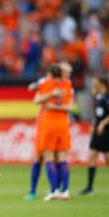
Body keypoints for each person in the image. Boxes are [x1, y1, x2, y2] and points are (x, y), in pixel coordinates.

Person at [23, 61, 72, 200]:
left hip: (48, 123)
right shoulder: (68, 85)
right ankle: (64, 191)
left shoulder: (45, 83)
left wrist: (50, 101)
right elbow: (69, 106)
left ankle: (54, 190)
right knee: (59, 157)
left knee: (47, 157)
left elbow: (34, 94)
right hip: (63, 123)